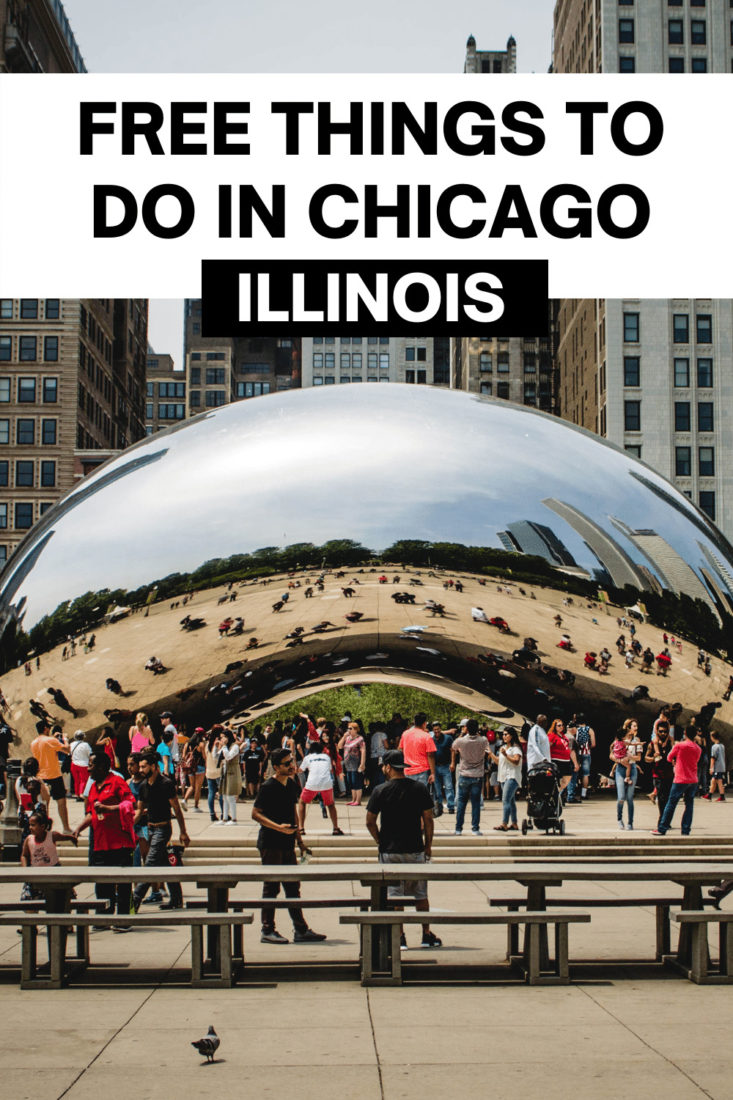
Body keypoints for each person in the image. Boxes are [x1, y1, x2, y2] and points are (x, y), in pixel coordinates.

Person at [365, 749, 442, 950]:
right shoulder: (419, 788)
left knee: (395, 894)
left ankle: (399, 936)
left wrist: (379, 840)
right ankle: (426, 933)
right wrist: (428, 845)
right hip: (415, 847)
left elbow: (370, 821)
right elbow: (428, 819)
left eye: (384, 766)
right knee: (420, 893)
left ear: (388, 767)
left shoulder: (379, 790)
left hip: (390, 849)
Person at [252, 747, 326, 944]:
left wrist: (299, 839)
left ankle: (300, 930)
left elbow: (292, 809)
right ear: (276, 767)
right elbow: (255, 814)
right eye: (286, 764)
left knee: (293, 887)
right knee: (272, 886)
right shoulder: (268, 786)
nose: (292, 766)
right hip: (270, 842)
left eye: (292, 762)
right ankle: (267, 929)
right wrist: (278, 828)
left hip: (287, 843)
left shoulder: (291, 785)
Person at [74, 751, 136, 930]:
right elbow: (91, 813)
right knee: (102, 883)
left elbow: (129, 805)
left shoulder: (117, 782)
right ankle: (103, 918)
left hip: (120, 842)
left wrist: (109, 808)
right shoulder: (93, 786)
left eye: (91, 765)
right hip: (100, 843)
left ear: (102, 766)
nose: (88, 768)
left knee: (123, 883)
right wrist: (78, 829)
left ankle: (124, 920)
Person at [132, 750, 190, 911]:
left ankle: (134, 901)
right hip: (150, 829)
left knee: (150, 863)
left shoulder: (166, 784)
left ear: (154, 766)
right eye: (140, 767)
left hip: (163, 829)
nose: (141, 770)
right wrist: (128, 826)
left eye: (144, 767)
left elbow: (177, 809)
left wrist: (183, 831)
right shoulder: (144, 786)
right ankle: (177, 899)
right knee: (165, 863)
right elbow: (139, 811)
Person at [652, 727, 702, 836]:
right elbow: (697, 760)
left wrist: (676, 759)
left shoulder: (679, 745)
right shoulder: (698, 748)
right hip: (693, 779)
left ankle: (662, 828)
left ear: (685, 733)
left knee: (671, 803)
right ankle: (685, 829)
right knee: (689, 804)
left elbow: (669, 758)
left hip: (680, 778)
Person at [30, 719, 71, 832]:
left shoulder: (33, 743)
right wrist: (65, 739)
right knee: (61, 802)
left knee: (43, 805)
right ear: (45, 728)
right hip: (54, 775)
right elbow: (67, 750)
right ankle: (66, 828)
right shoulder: (51, 740)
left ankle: (43, 829)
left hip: (40, 776)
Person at [451, 718, 489, 836]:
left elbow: (453, 747)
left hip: (464, 773)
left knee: (461, 802)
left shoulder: (462, 741)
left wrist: (462, 734)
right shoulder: (483, 740)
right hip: (477, 774)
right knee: (476, 803)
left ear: (466, 728)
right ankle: (475, 828)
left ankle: (458, 828)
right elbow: (486, 752)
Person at [297, 741, 344, 836]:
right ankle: (335, 828)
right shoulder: (326, 757)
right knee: (330, 804)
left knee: (302, 802)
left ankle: (301, 828)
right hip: (326, 783)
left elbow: (301, 770)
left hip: (312, 783)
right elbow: (330, 769)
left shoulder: (308, 757)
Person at [491, 727, 523, 831]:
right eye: (503, 735)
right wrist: (490, 753)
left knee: (505, 800)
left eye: (506, 734)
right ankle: (514, 823)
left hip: (512, 777)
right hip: (503, 777)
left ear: (512, 736)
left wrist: (506, 754)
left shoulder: (516, 748)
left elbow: (516, 761)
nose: (504, 736)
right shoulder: (503, 747)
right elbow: (498, 761)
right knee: (511, 801)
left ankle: (504, 823)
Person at [645, 719, 674, 827]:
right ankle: (662, 819)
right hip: (657, 774)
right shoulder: (652, 744)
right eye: (661, 731)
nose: (663, 733)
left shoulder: (671, 743)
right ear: (657, 731)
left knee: (667, 797)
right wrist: (653, 758)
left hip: (670, 774)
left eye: (665, 731)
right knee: (661, 797)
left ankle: (665, 819)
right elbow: (646, 758)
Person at [610, 726, 639, 830]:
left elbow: (639, 757)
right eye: (632, 726)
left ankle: (630, 822)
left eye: (636, 726)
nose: (634, 729)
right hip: (620, 768)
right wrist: (619, 760)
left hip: (632, 768)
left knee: (630, 798)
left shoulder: (636, 741)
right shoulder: (618, 741)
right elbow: (611, 755)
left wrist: (629, 757)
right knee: (621, 797)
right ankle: (619, 819)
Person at [399, 712, 436, 789]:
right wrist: (432, 773)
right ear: (424, 723)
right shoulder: (426, 736)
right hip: (422, 771)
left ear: (414, 722)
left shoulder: (405, 734)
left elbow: (400, 750)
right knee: (420, 797)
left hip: (407, 770)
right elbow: (431, 756)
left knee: (409, 796)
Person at [566, 715, 595, 803]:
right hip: (586, 753)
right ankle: (583, 794)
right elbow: (593, 744)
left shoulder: (575, 729)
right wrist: (587, 747)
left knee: (574, 773)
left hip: (576, 753)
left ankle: (571, 793)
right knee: (585, 774)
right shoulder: (589, 729)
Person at [217, 726, 243, 824]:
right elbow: (216, 756)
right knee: (224, 796)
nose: (222, 739)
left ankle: (234, 819)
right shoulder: (226, 747)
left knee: (230, 796)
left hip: (232, 772)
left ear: (228, 737)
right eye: (221, 738)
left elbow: (228, 757)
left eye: (223, 737)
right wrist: (218, 746)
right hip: (225, 772)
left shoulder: (234, 746)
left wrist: (223, 746)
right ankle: (224, 818)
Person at [338, 720, 367, 806]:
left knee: (356, 781)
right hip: (348, 764)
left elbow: (363, 751)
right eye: (348, 728)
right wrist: (343, 737)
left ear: (356, 729)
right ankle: (353, 799)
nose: (349, 730)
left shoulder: (360, 739)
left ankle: (358, 800)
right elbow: (339, 746)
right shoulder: (347, 738)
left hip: (356, 763)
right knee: (350, 781)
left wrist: (362, 764)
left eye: (350, 728)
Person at [431, 722, 456, 814]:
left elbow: (453, 750)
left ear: (440, 729)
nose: (436, 731)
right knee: (437, 788)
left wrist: (452, 763)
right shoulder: (431, 739)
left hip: (446, 765)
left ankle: (451, 806)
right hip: (435, 766)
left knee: (449, 787)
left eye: (438, 729)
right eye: (434, 730)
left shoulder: (448, 738)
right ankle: (439, 806)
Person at [204, 726, 223, 821]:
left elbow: (206, 756)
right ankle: (224, 813)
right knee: (221, 793)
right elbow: (217, 756)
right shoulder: (217, 743)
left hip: (209, 771)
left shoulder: (207, 744)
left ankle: (212, 813)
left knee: (211, 793)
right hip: (218, 771)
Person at [69, 731, 91, 801]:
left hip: (74, 764)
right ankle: (82, 794)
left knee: (76, 780)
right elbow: (90, 754)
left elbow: (69, 753)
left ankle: (77, 794)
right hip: (84, 764)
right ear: (83, 737)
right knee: (83, 780)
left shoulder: (71, 744)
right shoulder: (86, 745)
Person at [705, 731, 726, 802]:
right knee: (714, 780)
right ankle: (710, 795)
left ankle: (720, 796)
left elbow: (713, 758)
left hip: (717, 767)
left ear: (713, 737)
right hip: (722, 766)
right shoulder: (722, 746)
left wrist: (711, 768)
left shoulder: (714, 747)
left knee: (718, 781)